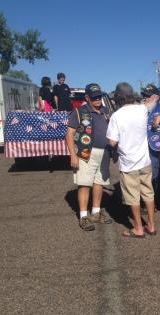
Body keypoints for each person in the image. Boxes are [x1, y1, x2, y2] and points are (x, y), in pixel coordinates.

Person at [107, 82, 159, 238]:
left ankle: (138, 228)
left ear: (118, 98)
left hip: (129, 163)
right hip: (145, 161)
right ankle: (151, 225)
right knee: (148, 193)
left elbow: (112, 142)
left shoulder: (116, 116)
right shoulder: (142, 110)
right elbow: (153, 101)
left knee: (132, 196)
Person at [65, 83, 112, 231]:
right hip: (85, 153)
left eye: (99, 96)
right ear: (87, 97)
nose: (97, 99)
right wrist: (73, 156)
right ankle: (84, 217)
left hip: (104, 153)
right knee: (85, 184)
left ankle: (96, 213)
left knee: (99, 183)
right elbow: (69, 135)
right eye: (94, 97)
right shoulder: (79, 112)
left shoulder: (106, 112)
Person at [141, 84, 160, 191]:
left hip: (153, 148)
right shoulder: (140, 109)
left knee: (153, 173)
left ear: (156, 97)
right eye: (144, 95)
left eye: (148, 96)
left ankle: (153, 200)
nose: (145, 98)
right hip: (139, 148)